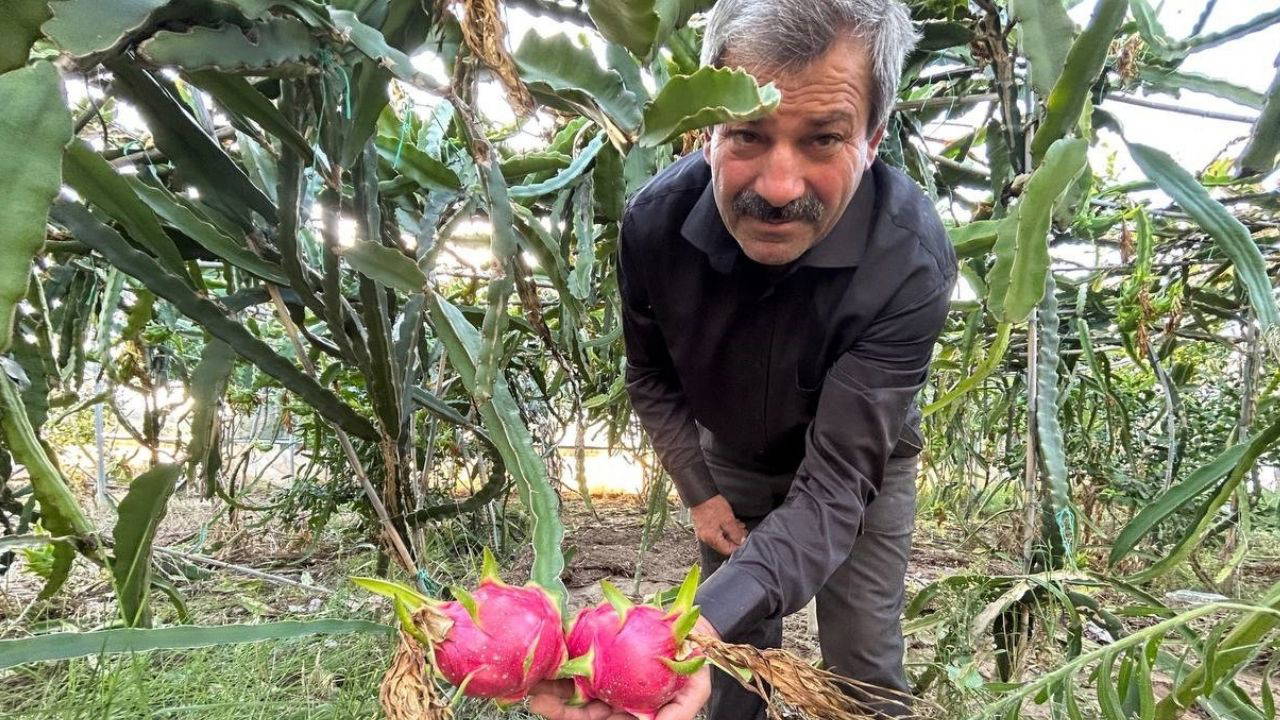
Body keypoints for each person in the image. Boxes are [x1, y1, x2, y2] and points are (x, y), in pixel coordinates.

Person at [529, 0, 956, 718]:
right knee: (731, 665)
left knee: (863, 661)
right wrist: (701, 493)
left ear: (874, 139)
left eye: (823, 140)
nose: (778, 187)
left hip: (860, 473)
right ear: (706, 132)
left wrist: (691, 621)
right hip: (730, 456)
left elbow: (836, 486)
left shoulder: (908, 261)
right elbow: (652, 376)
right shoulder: (655, 226)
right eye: (750, 136)